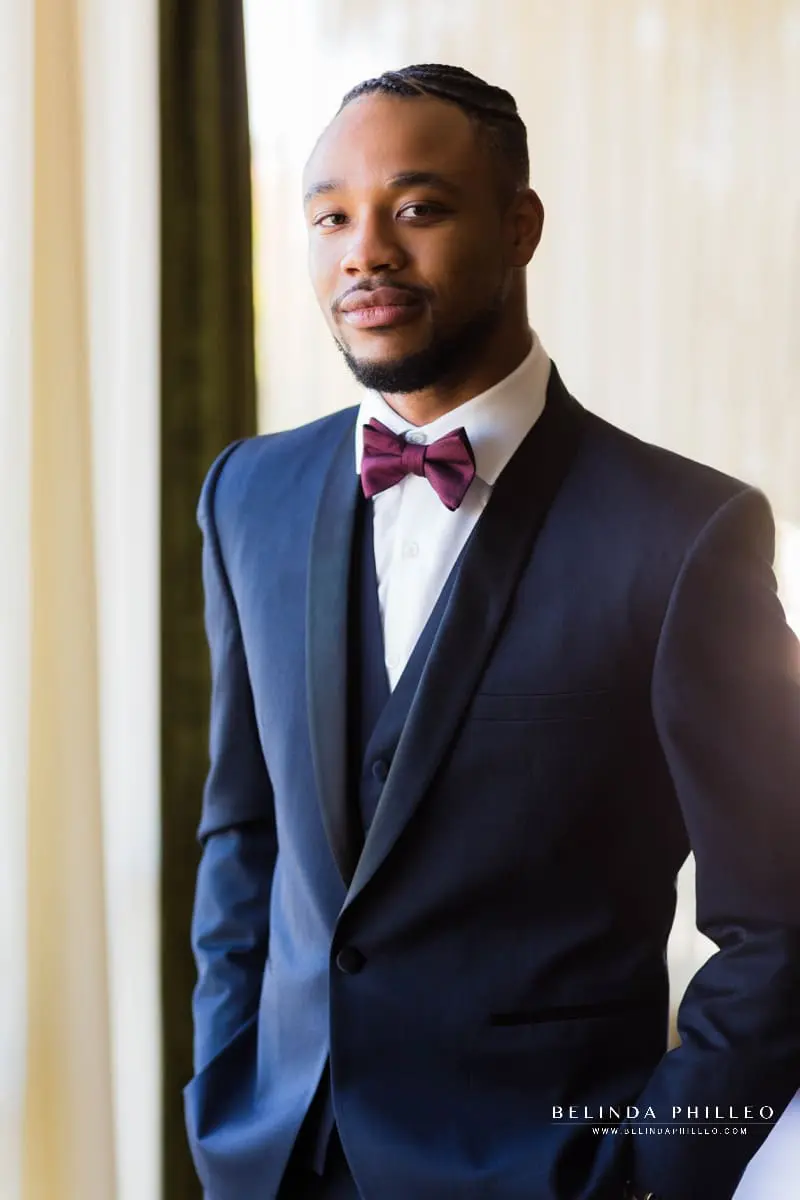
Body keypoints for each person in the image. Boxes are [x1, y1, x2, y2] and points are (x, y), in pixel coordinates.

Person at [182, 63, 800, 1200]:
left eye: (415, 207)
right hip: (274, 1162)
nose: (364, 251)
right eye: (331, 217)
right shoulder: (246, 496)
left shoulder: (683, 535)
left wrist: (652, 1173)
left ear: (520, 227)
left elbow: (781, 924)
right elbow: (242, 834)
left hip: (549, 1170)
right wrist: (226, 1095)